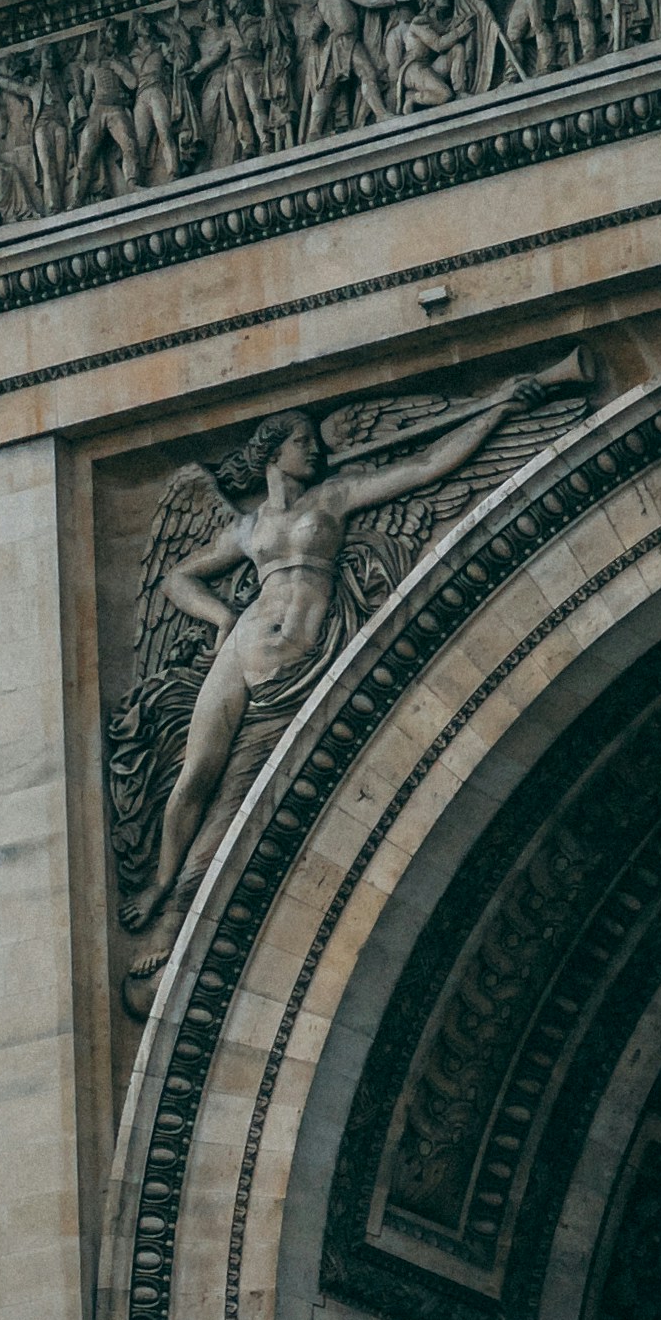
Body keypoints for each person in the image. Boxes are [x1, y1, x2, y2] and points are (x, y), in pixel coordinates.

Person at [122, 379, 561, 928]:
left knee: (241, 789)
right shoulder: (246, 528)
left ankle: (185, 907)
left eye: (315, 441)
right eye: (303, 440)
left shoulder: (332, 497)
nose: (316, 450)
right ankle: (162, 884)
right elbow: (176, 578)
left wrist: (494, 408)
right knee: (197, 774)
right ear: (271, 453)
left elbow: (426, 466)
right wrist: (223, 617)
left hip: (298, 660)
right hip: (240, 652)